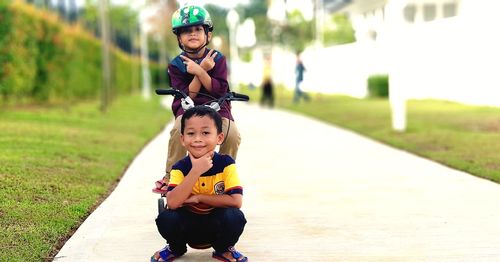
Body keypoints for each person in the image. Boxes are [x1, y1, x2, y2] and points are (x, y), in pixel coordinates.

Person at [153, 5, 241, 193]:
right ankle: (172, 175)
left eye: (198, 29)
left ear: (207, 34)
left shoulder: (218, 59)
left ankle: (223, 174)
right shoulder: (176, 65)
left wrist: (201, 70)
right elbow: (187, 95)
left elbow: (218, 90)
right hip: (189, 108)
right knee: (178, 131)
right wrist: (196, 73)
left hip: (217, 106)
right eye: (186, 31)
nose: (192, 34)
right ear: (179, 37)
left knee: (232, 135)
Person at [151, 105, 248, 262]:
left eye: (205, 133)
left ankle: (224, 249)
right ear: (182, 139)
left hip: (216, 223)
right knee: (166, 219)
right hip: (187, 223)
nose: (197, 139)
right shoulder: (179, 168)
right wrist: (196, 171)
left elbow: (236, 201)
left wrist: (198, 198)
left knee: (235, 217)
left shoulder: (226, 164)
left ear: (219, 138)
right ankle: (175, 248)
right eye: (191, 133)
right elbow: (173, 202)